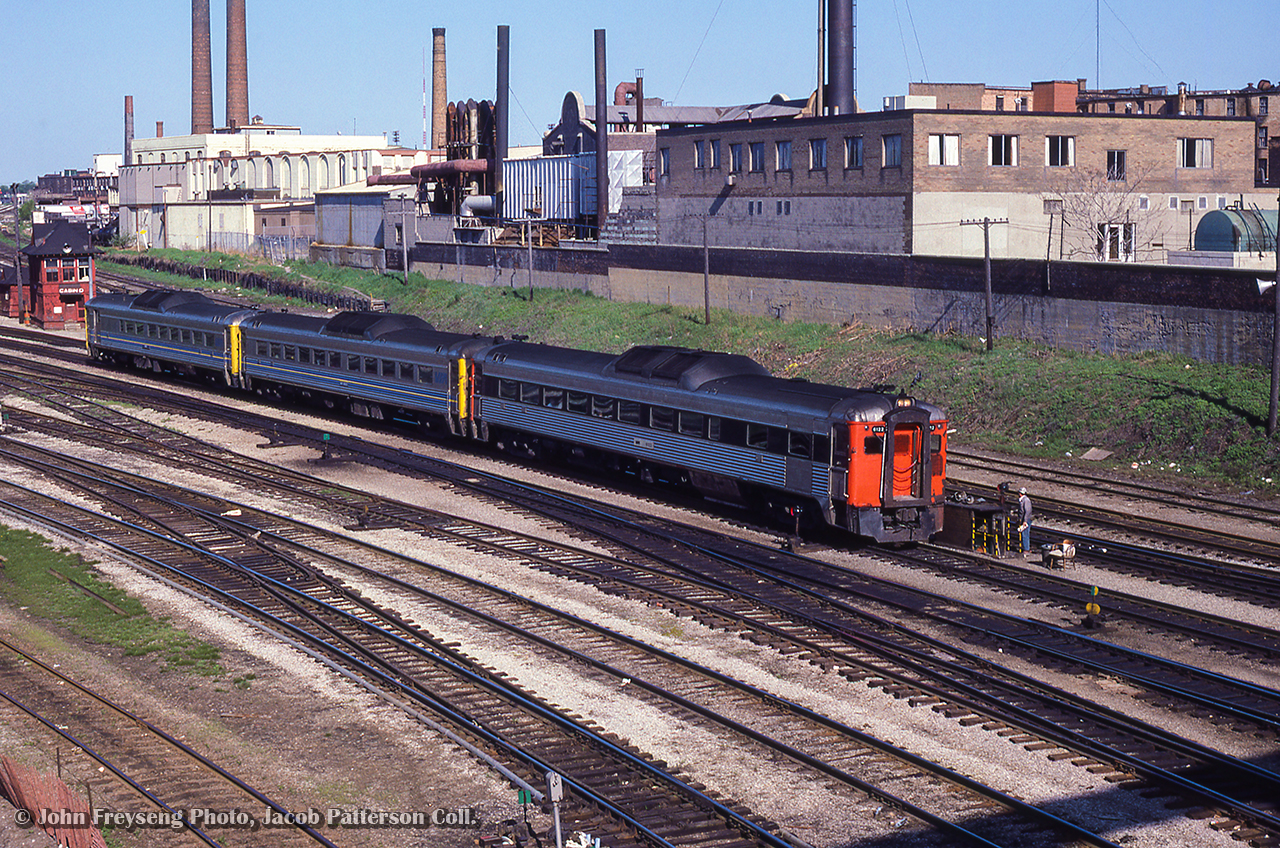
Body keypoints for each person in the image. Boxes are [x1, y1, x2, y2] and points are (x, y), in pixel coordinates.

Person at [1017, 487, 1033, 557]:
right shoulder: (1022, 500)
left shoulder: (1026, 500)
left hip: (1026, 520)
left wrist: (1025, 521)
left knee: (1025, 534)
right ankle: (1025, 548)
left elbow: (1028, 511)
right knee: (1024, 533)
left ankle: (1026, 549)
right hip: (1023, 519)